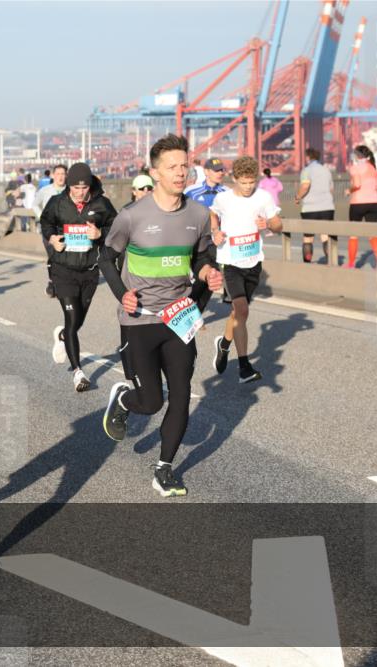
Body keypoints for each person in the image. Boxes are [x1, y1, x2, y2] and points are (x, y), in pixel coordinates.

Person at [99, 134, 223, 498]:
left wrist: (206, 273)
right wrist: (123, 294)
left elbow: (203, 256)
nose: (181, 172)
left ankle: (164, 468)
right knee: (151, 401)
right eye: (173, 167)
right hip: (139, 321)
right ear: (155, 173)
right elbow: (106, 257)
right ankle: (124, 400)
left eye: (185, 165)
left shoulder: (199, 215)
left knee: (181, 394)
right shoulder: (132, 217)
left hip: (178, 318)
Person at [40, 163, 117, 392]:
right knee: (73, 319)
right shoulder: (58, 202)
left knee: (78, 321)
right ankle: (78, 373)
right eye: (75, 187)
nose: (79, 191)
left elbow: (117, 226)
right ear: (69, 185)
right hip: (63, 269)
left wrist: (100, 233)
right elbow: (46, 222)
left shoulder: (101, 204)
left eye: (84, 187)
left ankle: (63, 335)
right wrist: (52, 238)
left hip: (89, 271)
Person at [209, 156, 283, 383]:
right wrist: (215, 231)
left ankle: (224, 343)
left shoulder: (264, 197)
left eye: (252, 182)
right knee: (241, 310)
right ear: (234, 178)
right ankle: (244, 367)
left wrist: (268, 224)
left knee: (237, 313)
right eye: (244, 182)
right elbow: (213, 214)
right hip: (230, 262)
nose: (249, 187)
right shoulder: (223, 199)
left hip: (253, 262)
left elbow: (279, 226)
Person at [344, 144, 377, 269]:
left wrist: (348, 191)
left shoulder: (354, 168)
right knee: (372, 233)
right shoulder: (373, 168)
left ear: (357, 156)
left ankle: (351, 263)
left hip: (358, 203)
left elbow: (357, 184)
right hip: (374, 203)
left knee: (353, 234)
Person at [295, 147, 336, 263]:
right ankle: (330, 259)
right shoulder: (326, 170)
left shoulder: (306, 170)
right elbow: (331, 189)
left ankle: (307, 260)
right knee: (325, 235)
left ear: (308, 157)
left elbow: (305, 186)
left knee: (308, 237)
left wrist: (298, 197)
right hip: (327, 207)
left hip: (310, 208)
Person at [33, 164, 68, 298]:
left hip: (65, 229)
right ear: (53, 175)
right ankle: (52, 282)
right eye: (58, 174)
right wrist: (42, 216)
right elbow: (35, 204)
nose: (60, 177)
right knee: (53, 256)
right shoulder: (45, 190)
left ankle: (63, 282)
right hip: (49, 229)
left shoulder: (70, 191)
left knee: (65, 257)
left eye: (63, 174)